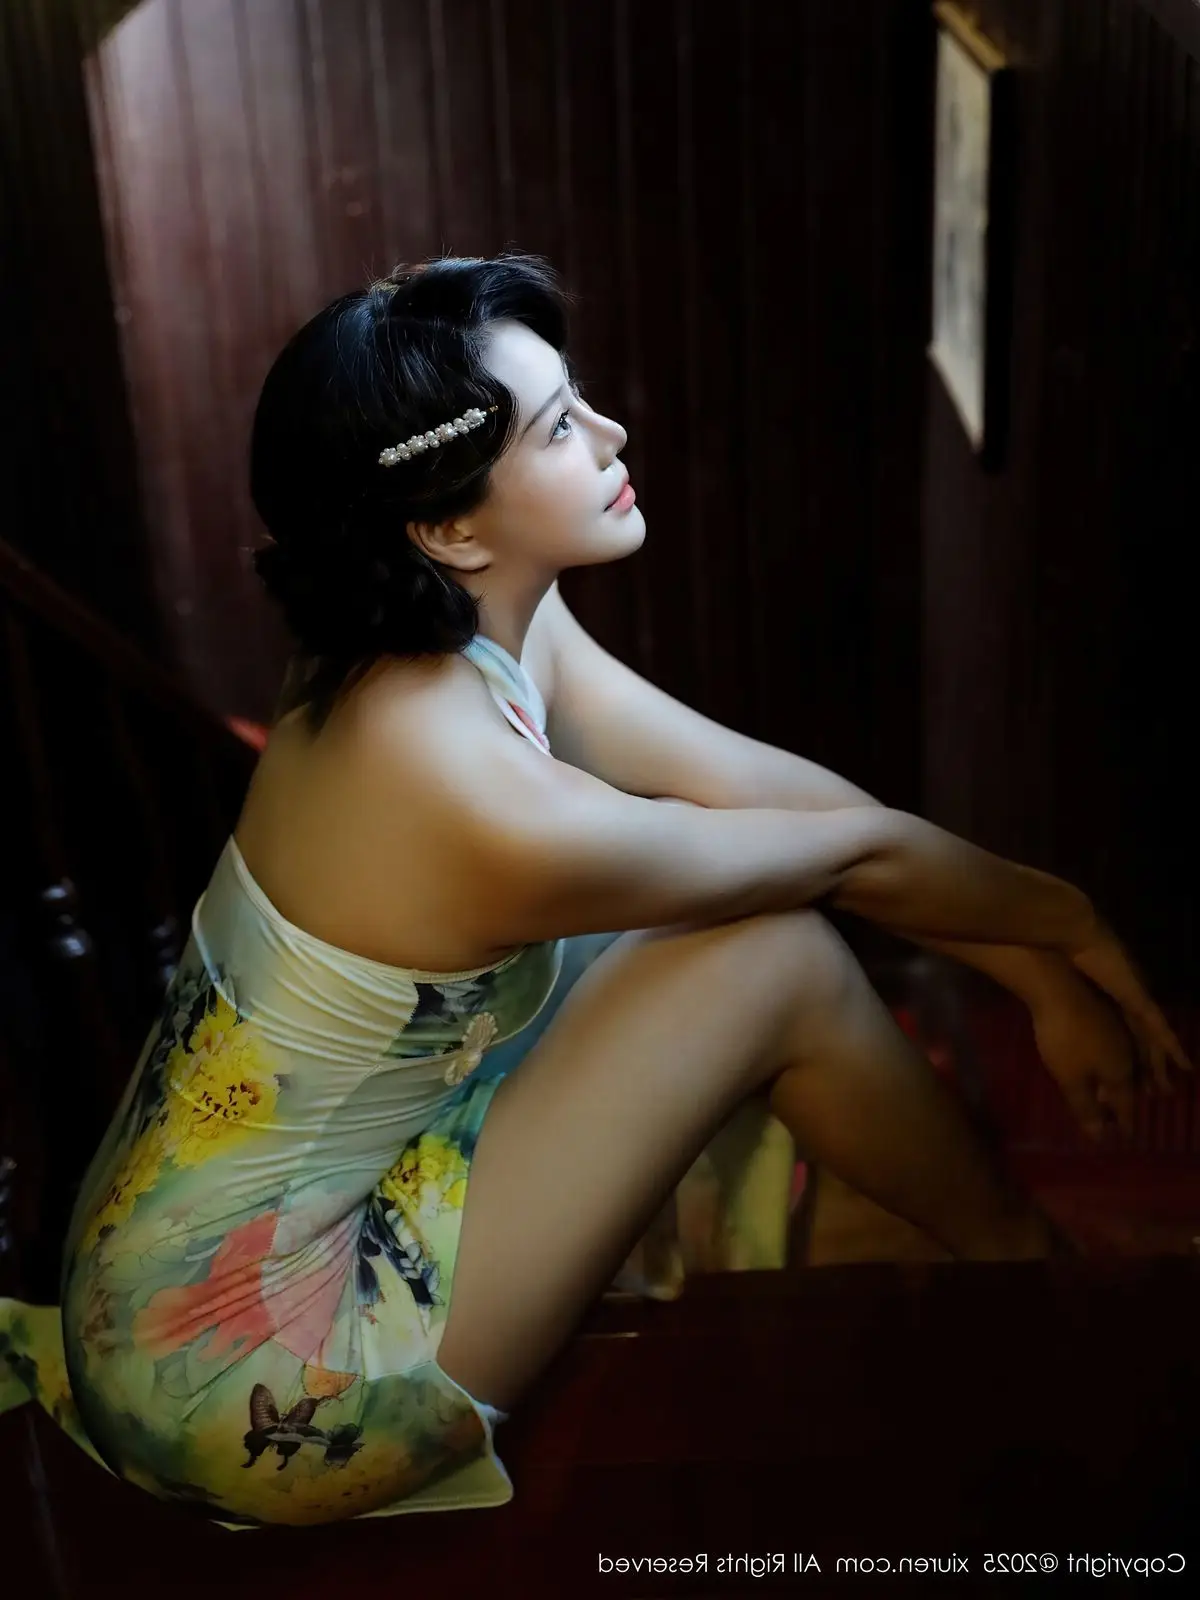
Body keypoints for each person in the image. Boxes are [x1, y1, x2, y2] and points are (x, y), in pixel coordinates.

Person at [1, 253, 1190, 1530]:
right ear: (452, 527)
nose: (616, 434)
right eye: (563, 426)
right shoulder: (471, 798)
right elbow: (842, 858)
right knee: (772, 956)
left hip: (156, 1258)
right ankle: (1030, 1270)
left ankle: (1007, 1253)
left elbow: (761, 791)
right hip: (250, 1377)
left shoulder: (433, 625)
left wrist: (1028, 969)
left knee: (699, 920)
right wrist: (1064, 926)